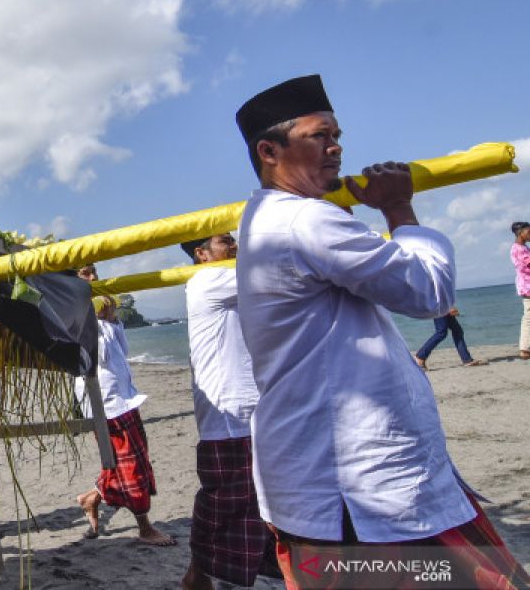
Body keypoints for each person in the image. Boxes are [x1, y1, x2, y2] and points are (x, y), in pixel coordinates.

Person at [234, 75, 528, 588]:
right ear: (269, 150)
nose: (337, 146)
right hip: (358, 486)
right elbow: (428, 294)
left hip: (322, 477)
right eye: (320, 135)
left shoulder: (265, 220)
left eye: (337, 134)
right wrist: (399, 209)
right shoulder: (307, 222)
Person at [179, 235, 278, 590]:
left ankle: (198, 579)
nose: (236, 245)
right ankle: (197, 580)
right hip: (231, 417)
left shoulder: (226, 278)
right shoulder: (210, 279)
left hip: (249, 413)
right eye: (226, 241)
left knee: (254, 507)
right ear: (201, 254)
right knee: (226, 507)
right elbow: (279, 271)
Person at [75, 295, 175, 546]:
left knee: (125, 463)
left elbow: (122, 349)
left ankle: (92, 498)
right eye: (85, 273)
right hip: (105, 404)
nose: (92, 278)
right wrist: (99, 319)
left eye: (94, 272)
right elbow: (100, 355)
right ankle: (145, 528)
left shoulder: (102, 321)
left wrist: (111, 319)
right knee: (130, 467)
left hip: (125, 398)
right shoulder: (74, 316)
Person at [414, 307, 486, 369]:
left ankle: (467, 360)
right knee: (441, 332)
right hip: (440, 306)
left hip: (442, 306)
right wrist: (449, 307)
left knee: (457, 331)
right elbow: (439, 292)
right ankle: (420, 357)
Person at [511, 221, 530, 359]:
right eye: (528, 232)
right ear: (520, 233)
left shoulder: (524, 247)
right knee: (528, 317)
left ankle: (525, 348)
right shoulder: (518, 248)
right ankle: (524, 348)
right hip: (527, 286)